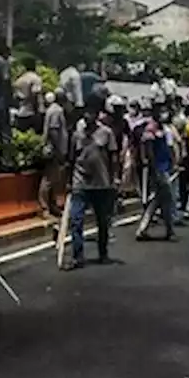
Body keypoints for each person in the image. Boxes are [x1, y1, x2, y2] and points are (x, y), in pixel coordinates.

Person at [64, 108, 118, 269]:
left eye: (91, 113)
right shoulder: (77, 135)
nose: (88, 116)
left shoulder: (106, 133)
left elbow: (113, 157)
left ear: (96, 115)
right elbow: (71, 159)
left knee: (102, 221)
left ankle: (103, 253)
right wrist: (68, 181)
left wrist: (114, 178)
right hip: (80, 182)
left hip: (101, 184)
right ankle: (77, 256)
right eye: (85, 114)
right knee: (76, 220)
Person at [135, 109, 178, 242]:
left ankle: (143, 229)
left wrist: (173, 162)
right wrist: (154, 168)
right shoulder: (150, 130)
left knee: (158, 200)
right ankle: (169, 230)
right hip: (158, 169)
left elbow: (168, 148)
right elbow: (148, 151)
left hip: (164, 167)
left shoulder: (163, 129)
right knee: (167, 199)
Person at [39, 91, 69, 221]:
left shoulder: (52, 109)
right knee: (49, 180)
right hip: (54, 150)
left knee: (53, 179)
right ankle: (45, 208)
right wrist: (59, 150)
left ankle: (52, 206)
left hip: (52, 148)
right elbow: (54, 130)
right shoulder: (57, 111)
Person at [13, 66, 43, 133]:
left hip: (20, 112)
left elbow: (15, 96)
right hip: (32, 112)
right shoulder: (36, 78)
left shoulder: (19, 79)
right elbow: (34, 94)